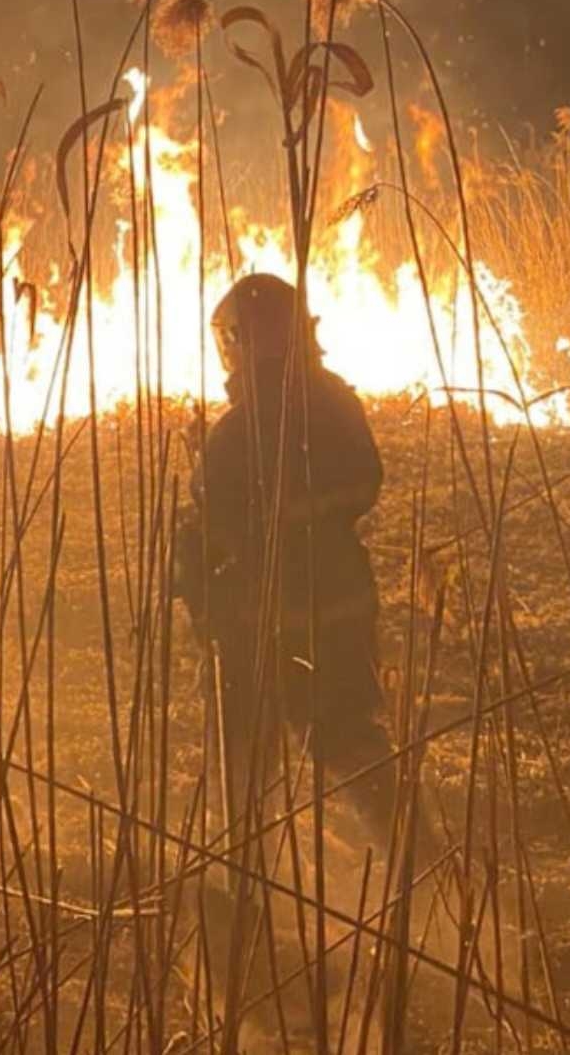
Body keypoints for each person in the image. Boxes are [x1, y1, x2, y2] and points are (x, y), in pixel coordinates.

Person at [174, 272, 400, 841]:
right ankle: (425, 876)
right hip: (341, 602)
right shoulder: (336, 406)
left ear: (242, 342)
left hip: (262, 620)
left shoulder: (237, 435)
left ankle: (251, 888)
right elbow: (361, 483)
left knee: (247, 764)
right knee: (354, 745)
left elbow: (220, 528)